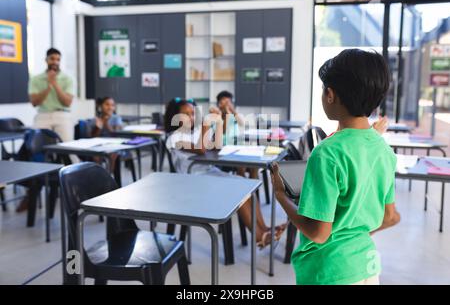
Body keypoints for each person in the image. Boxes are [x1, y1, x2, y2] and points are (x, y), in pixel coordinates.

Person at [271, 49, 401, 285]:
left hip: (329, 271)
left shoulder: (327, 153)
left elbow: (318, 234)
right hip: (367, 267)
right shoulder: (383, 150)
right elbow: (390, 216)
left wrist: (281, 196)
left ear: (330, 94)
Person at [164, 98, 284, 248]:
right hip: (192, 183)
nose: (191, 117)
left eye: (192, 113)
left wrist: (219, 121)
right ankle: (259, 237)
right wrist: (206, 124)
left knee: (248, 186)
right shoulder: (174, 137)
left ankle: (264, 229)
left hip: (209, 174)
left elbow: (217, 145)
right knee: (240, 191)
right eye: (185, 114)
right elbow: (201, 149)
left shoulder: (194, 132)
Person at [29, 48, 74, 142]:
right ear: (46, 60)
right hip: (43, 115)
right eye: (52, 59)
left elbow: (67, 102)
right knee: (36, 146)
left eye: (58, 59)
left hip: (62, 114)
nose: (55, 62)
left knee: (67, 147)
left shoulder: (68, 79)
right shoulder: (35, 79)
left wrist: (54, 83)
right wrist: (49, 86)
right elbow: (34, 102)